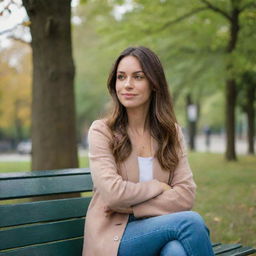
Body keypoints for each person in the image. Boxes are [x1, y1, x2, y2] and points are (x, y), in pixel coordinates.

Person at [82, 46, 214, 256]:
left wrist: (133, 207)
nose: (127, 85)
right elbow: (113, 194)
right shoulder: (102, 131)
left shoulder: (171, 133)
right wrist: (158, 186)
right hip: (115, 238)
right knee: (191, 222)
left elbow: (186, 195)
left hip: (161, 228)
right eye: (121, 77)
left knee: (176, 252)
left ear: (154, 83)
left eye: (138, 77)